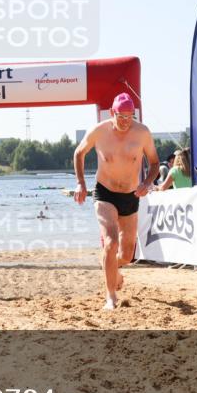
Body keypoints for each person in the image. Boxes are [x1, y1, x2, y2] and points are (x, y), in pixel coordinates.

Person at [73, 92, 160, 310]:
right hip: (105, 192)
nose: (125, 121)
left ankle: (111, 266)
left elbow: (154, 162)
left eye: (130, 116)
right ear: (113, 112)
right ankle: (110, 297)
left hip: (131, 195)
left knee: (127, 255)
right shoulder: (99, 131)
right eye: (121, 116)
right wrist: (81, 183)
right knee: (111, 242)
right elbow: (78, 153)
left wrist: (147, 182)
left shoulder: (142, 133)